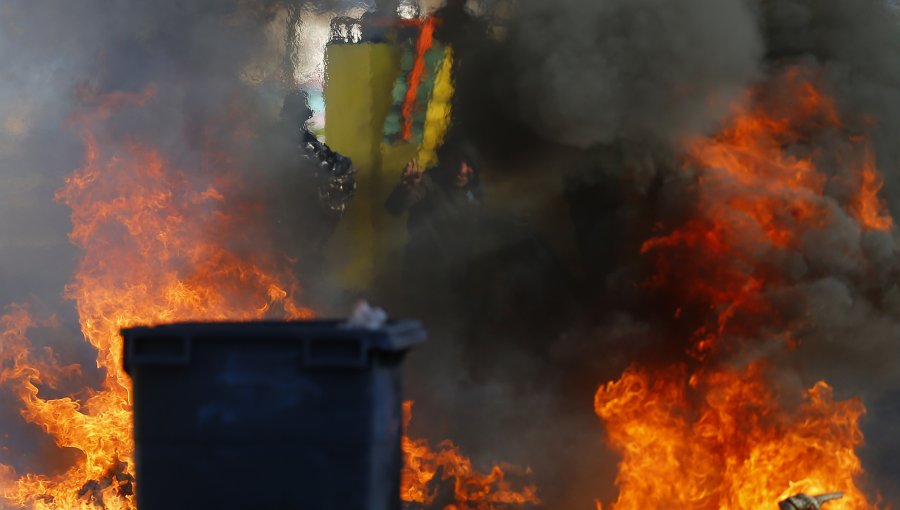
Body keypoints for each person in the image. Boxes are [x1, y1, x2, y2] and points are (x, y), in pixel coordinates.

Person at [385, 147, 484, 293]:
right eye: (456, 161)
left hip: (459, 278)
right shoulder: (429, 181)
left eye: (469, 163)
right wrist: (405, 188)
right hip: (423, 278)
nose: (461, 170)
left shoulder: (477, 189)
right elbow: (394, 208)